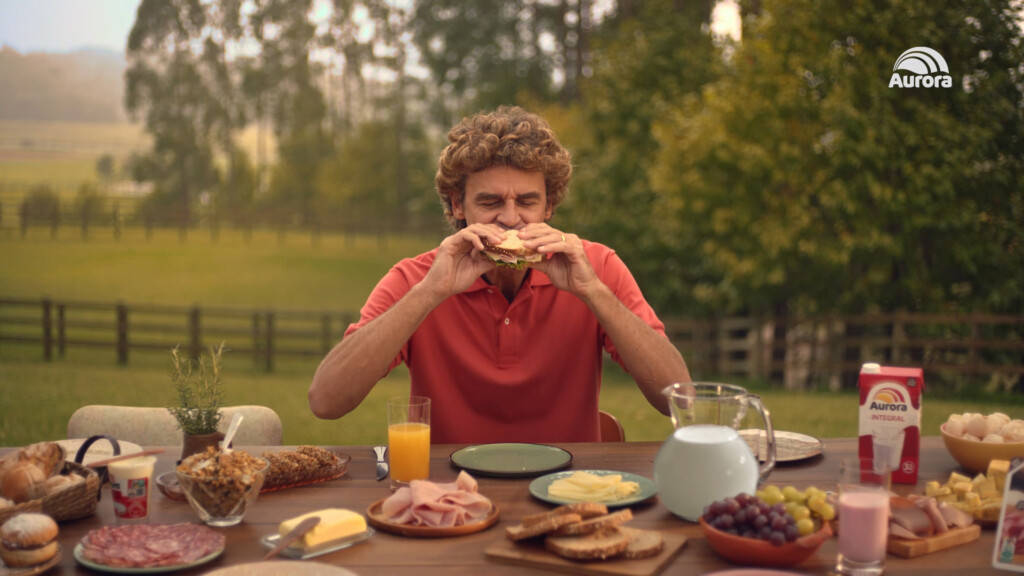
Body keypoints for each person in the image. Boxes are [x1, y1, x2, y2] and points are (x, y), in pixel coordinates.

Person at [309, 106, 690, 443]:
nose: (510, 218)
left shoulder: (596, 266)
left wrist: (593, 292)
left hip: (566, 490)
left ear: (550, 205)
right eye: (490, 202)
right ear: (458, 204)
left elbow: (680, 400)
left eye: (527, 202)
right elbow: (326, 401)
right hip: (450, 498)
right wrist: (430, 293)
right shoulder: (417, 277)